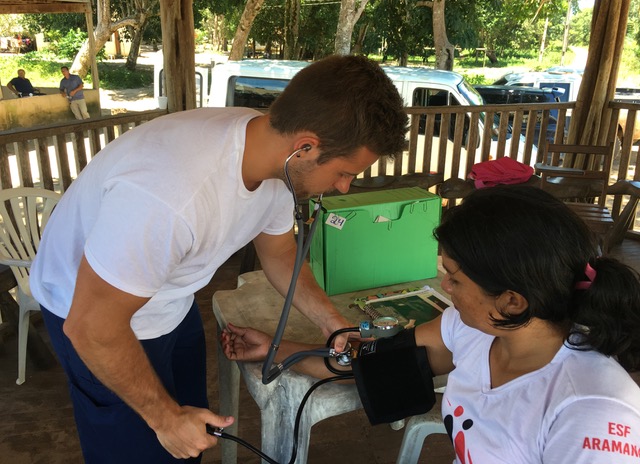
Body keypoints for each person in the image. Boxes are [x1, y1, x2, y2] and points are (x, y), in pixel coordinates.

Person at [30, 55, 408, 463]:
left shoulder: (273, 158)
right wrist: (164, 418)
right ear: (305, 147)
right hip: (93, 316)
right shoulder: (169, 195)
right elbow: (91, 326)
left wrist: (335, 326)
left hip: (170, 300)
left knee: (192, 434)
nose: (344, 187)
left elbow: (280, 255)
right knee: (145, 442)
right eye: (344, 172)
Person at [222, 186, 640, 463]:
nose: (444, 285)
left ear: (512, 301)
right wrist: (280, 350)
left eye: (455, 278)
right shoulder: (473, 329)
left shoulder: (590, 412)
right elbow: (375, 363)